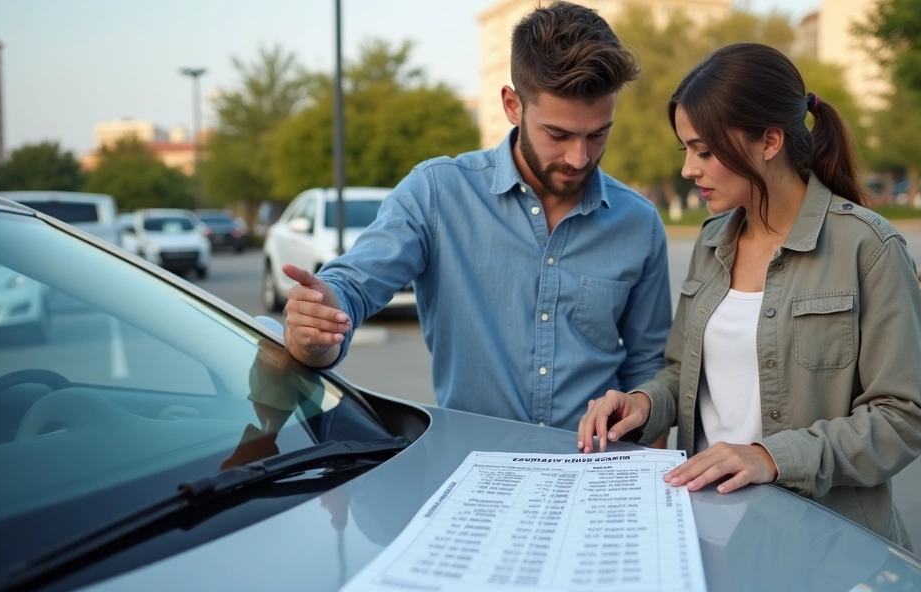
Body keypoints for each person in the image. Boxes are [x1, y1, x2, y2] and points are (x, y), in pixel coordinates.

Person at [577, 43, 921, 547]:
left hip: (824, 549)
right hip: (703, 531)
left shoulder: (869, 249)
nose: (688, 169)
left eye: (704, 151)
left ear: (769, 140)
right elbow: (683, 372)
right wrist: (641, 403)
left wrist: (771, 457)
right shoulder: (711, 240)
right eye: (686, 150)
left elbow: (903, 418)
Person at [282, 1, 671, 433]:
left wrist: (645, 427)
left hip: (597, 469)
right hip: (471, 466)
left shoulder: (639, 222)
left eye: (598, 134)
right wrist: (317, 325)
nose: (579, 157)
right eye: (558, 135)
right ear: (512, 105)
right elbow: (350, 290)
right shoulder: (436, 194)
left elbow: (648, 365)